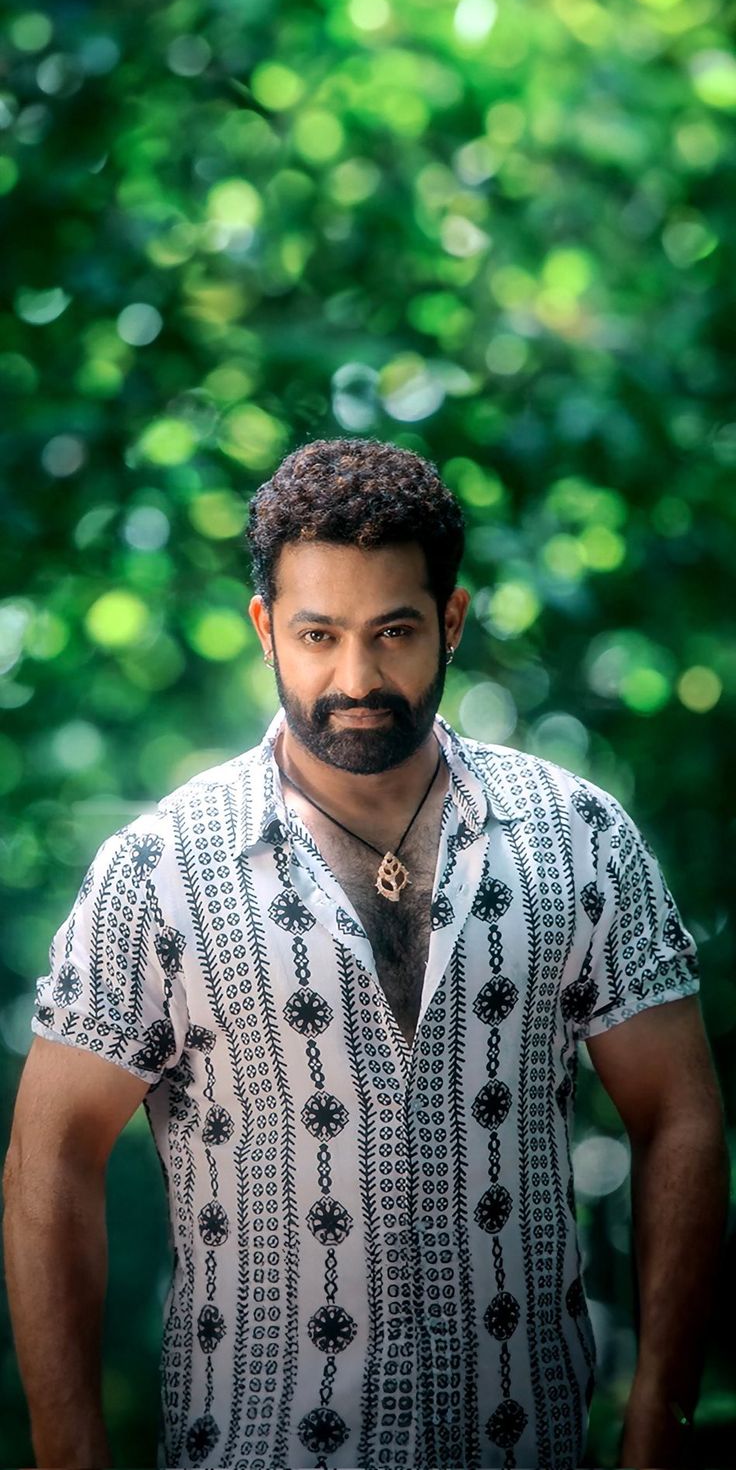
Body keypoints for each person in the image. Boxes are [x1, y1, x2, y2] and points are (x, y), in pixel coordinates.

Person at [3, 438, 728, 1470]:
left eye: (393, 632)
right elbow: (49, 1159)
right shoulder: (160, 870)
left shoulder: (577, 838)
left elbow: (682, 1115)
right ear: (265, 630)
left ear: (452, 619)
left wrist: (657, 1424)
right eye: (318, 634)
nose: (356, 678)